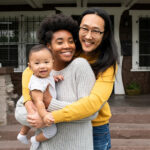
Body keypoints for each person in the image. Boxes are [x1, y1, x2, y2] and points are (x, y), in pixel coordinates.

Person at [28, 8, 119, 150]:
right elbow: (34, 69)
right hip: (64, 126)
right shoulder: (69, 49)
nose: (88, 36)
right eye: (85, 29)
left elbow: (92, 105)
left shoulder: (107, 64)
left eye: (96, 31)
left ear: (105, 34)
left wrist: (49, 113)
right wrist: (30, 104)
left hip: (95, 128)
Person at [15, 14, 97, 150]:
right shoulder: (41, 72)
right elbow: (19, 111)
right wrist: (41, 118)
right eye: (60, 42)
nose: (68, 46)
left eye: (71, 41)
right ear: (48, 46)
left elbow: (91, 112)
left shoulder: (80, 66)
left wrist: (51, 105)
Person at [16, 44, 57, 150]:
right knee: (52, 131)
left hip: (43, 107)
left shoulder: (47, 74)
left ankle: (22, 134)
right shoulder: (37, 84)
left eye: (46, 62)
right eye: (37, 63)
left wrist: (56, 77)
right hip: (40, 109)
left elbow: (49, 78)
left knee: (31, 120)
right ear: (30, 67)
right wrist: (44, 116)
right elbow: (39, 102)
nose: (42, 66)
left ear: (53, 62)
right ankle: (35, 140)